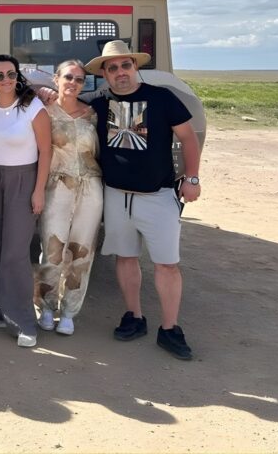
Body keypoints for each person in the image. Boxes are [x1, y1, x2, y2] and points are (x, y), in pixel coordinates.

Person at [84, 40, 202, 360]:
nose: (120, 72)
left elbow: (188, 138)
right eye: (113, 68)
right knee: (125, 257)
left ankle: (170, 328)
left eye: (126, 65)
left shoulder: (162, 98)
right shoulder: (99, 102)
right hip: (116, 194)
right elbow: (65, 105)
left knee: (166, 264)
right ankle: (134, 316)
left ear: (135, 67)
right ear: (105, 74)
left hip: (157, 195)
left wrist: (191, 178)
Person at [0, 54, 51, 348]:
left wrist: (39, 190)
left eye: (11, 74)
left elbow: (45, 151)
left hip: (24, 179)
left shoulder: (33, 107)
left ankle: (23, 321)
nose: (6, 80)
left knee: (16, 252)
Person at [35, 60, 103, 337]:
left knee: (82, 251)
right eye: (68, 77)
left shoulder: (93, 115)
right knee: (52, 250)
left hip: (90, 187)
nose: (73, 83)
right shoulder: (43, 111)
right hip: (56, 186)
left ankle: (70, 311)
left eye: (79, 79)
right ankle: (47, 306)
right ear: (56, 79)